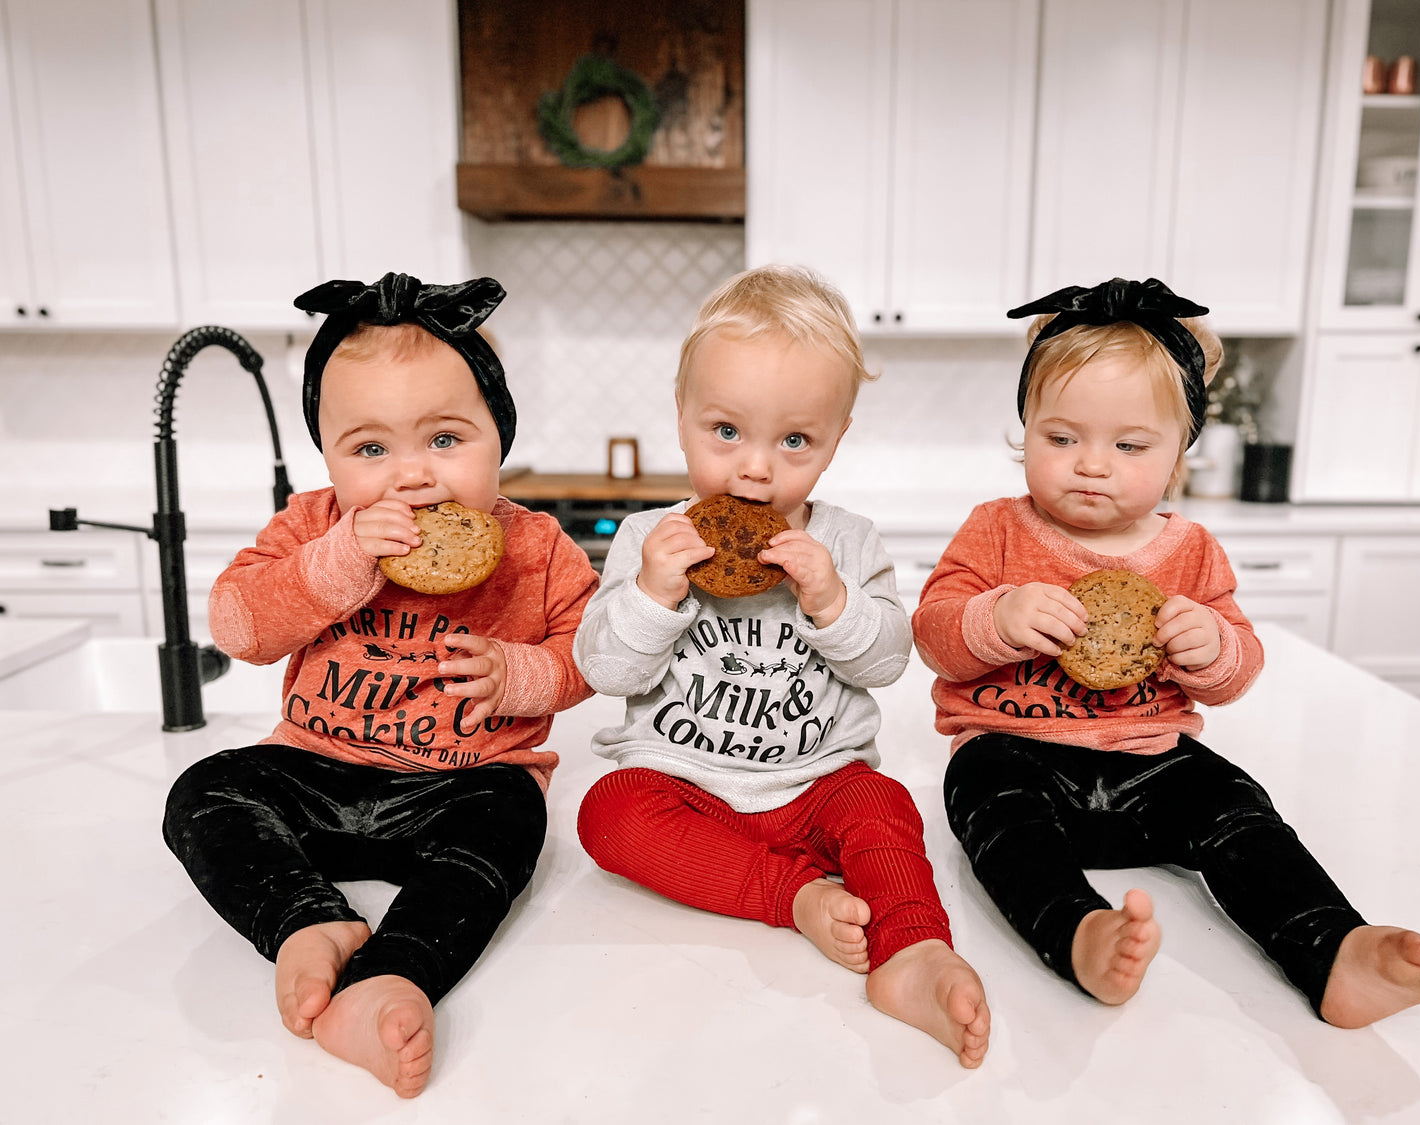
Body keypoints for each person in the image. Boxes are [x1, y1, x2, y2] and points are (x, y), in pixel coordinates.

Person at [912, 277, 1420, 1026]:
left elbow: (1238, 668)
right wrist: (995, 616)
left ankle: (1334, 951)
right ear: (1026, 429)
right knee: (987, 801)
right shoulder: (998, 529)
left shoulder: (1192, 548)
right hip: (1018, 753)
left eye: (1129, 445)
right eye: (1061, 437)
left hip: (1154, 767)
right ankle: (1077, 932)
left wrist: (1211, 647)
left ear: (1180, 453)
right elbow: (934, 634)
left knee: (1239, 808)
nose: (1091, 463)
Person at [162, 273, 598, 1097]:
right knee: (205, 790)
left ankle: (394, 975)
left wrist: (523, 673)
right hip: (315, 770)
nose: (412, 477)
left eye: (445, 440)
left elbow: (594, 657)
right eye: (371, 449)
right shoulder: (312, 527)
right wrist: (338, 563)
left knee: (512, 816)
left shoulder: (537, 547)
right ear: (328, 455)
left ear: (498, 437)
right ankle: (309, 921)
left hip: (459, 785)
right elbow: (236, 626)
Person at [573, 264, 990, 1067]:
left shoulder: (849, 542)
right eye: (726, 431)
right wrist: (655, 594)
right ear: (683, 415)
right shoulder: (646, 540)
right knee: (607, 810)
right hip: (683, 784)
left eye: (795, 440)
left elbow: (889, 659)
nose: (757, 469)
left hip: (818, 785)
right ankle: (790, 894)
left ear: (836, 439)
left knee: (884, 803)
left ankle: (913, 954)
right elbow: (607, 671)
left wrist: (832, 598)